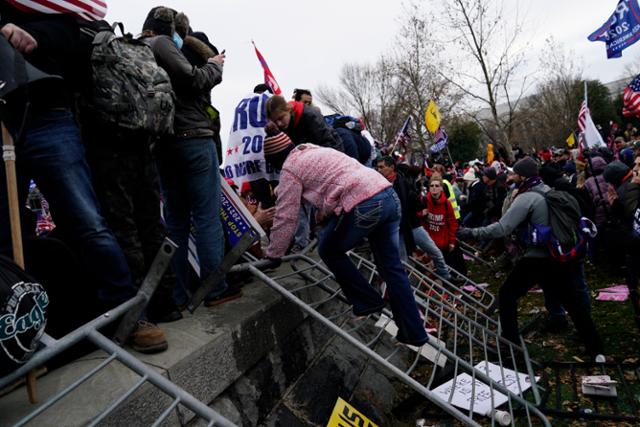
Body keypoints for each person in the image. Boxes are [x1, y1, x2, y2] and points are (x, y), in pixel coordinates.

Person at [0, 4, 167, 352]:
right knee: (6, 234)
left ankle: (128, 315)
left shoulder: (43, 9)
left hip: (48, 114)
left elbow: (73, 36)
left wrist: (33, 35)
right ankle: (18, 334)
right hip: (2, 120)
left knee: (87, 222)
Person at [264, 134, 429, 346]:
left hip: (365, 202)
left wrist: (274, 254)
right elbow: (334, 189)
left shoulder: (290, 169)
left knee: (329, 249)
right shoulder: (314, 150)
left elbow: (286, 215)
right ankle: (414, 332)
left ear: (275, 160)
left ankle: (367, 301)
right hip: (387, 195)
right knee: (392, 269)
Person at [458, 157, 605, 359]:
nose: (509, 176)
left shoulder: (526, 197)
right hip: (556, 256)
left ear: (523, 176)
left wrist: (470, 233)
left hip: (537, 258)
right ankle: (596, 348)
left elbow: (503, 228)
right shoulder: (546, 189)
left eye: (513, 173)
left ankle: (511, 347)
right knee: (572, 302)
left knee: (507, 294)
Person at [141, 7, 227, 307]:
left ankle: (177, 294)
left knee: (175, 223)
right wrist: (215, 65)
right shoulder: (175, 47)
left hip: (162, 145)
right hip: (193, 139)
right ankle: (215, 290)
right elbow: (194, 80)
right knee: (206, 218)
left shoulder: (141, 52)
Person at [376, 157, 450, 279]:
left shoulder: (404, 182)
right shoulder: (379, 185)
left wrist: (422, 205)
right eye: (378, 167)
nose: (378, 170)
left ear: (391, 168)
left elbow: (414, 200)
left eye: (381, 167)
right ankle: (407, 291)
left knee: (435, 253)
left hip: (412, 225)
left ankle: (447, 278)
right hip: (395, 229)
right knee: (402, 262)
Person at [420, 175, 466, 275]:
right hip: (430, 243)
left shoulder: (447, 204)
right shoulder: (424, 201)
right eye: (431, 185)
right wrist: (421, 214)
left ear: (441, 188)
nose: (434, 188)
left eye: (437, 186)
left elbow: (452, 224)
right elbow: (415, 218)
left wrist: (452, 242)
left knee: (450, 266)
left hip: (444, 242)